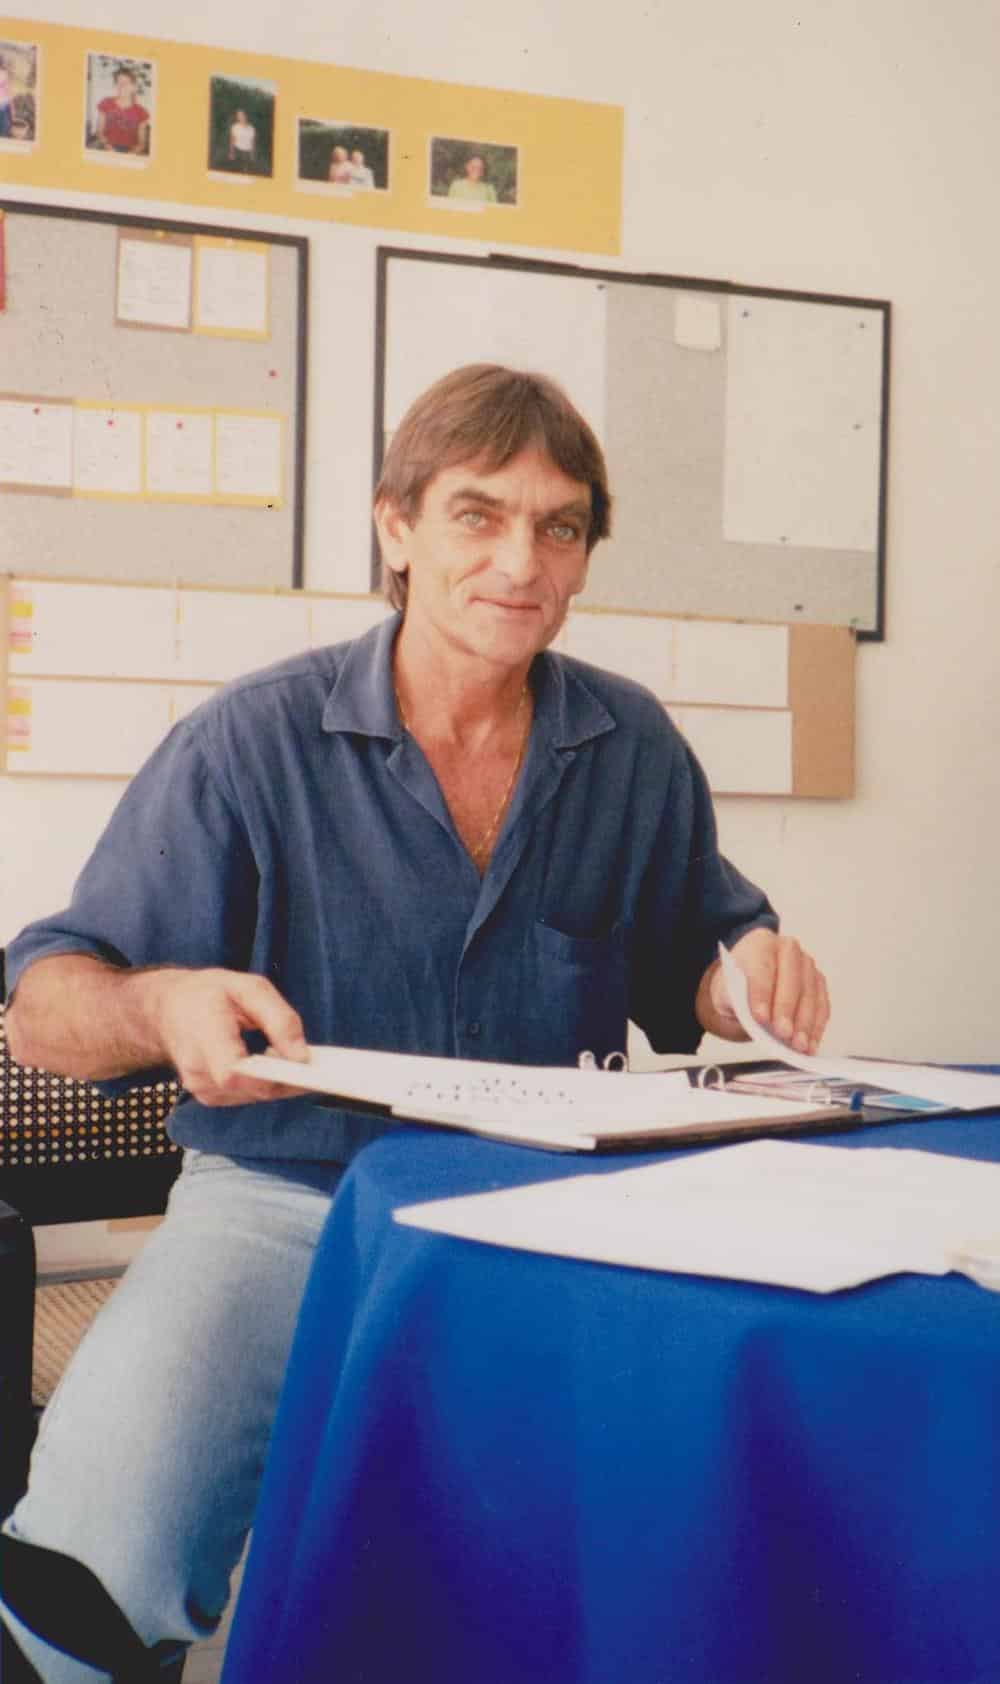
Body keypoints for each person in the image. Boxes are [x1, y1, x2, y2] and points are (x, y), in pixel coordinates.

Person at [0, 363, 829, 1683]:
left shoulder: (631, 745)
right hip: (283, 1203)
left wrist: (745, 976)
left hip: (555, 1211)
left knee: (679, 1527)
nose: (520, 561)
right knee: (95, 1557)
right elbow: (44, 1007)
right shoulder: (252, 741)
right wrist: (163, 1001)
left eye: (559, 527)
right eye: (476, 515)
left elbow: (700, 951)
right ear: (395, 527)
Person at [93, 66, 149, 156]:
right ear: (115, 85)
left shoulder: (142, 112)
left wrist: (129, 155)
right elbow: (99, 132)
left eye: (126, 83)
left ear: (133, 87)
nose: (122, 86)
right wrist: (107, 146)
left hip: (131, 151)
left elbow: (142, 143)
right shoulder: (105, 103)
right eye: (118, 82)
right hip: (106, 147)